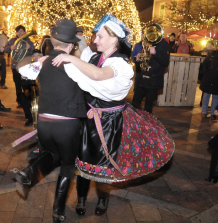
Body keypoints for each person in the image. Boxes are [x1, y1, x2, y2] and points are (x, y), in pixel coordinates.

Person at [52, 13, 174, 217]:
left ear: (114, 39)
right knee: (82, 158)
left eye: (100, 37)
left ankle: (102, 199)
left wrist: (70, 57)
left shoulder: (121, 65)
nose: (95, 40)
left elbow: (98, 74)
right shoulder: (91, 56)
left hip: (109, 121)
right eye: (95, 36)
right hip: (88, 116)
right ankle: (81, 198)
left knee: (104, 162)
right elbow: (81, 76)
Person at [15, 19, 87, 222]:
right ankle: (58, 211)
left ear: (53, 42)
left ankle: (29, 172)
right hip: (67, 125)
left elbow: (21, 71)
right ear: (71, 45)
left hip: (44, 124)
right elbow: (93, 85)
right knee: (67, 165)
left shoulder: (44, 61)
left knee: (52, 154)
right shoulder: (75, 64)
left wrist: (36, 58)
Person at [131, 25, 170, 114]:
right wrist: (138, 59)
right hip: (142, 79)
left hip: (154, 80)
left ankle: (147, 125)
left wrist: (155, 54)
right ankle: (135, 123)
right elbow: (143, 61)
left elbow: (165, 62)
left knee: (148, 107)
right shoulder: (146, 42)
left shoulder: (164, 45)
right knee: (135, 104)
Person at [5, 25, 34, 126]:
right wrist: (10, 47)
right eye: (19, 32)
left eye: (22, 31)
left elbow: (33, 51)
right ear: (16, 33)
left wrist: (29, 48)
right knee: (17, 85)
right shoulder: (12, 40)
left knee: (26, 86)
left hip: (25, 67)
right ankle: (20, 101)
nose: (21, 33)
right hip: (15, 66)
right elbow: (5, 49)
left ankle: (28, 101)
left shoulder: (28, 41)